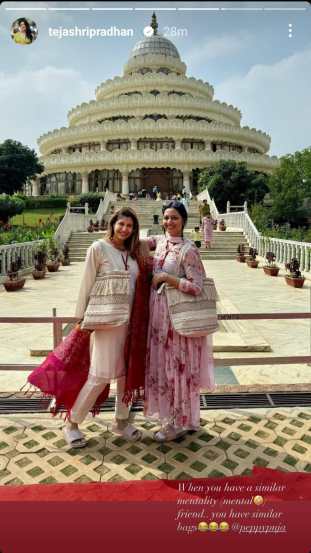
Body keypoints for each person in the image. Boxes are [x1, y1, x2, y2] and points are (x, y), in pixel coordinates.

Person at [64, 207, 149, 448]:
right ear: (112, 224)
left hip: (130, 324)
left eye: (130, 226)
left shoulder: (132, 253)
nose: (125, 229)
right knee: (100, 375)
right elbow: (86, 284)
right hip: (105, 324)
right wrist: (80, 318)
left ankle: (121, 421)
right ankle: (72, 422)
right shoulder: (98, 248)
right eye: (121, 224)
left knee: (125, 375)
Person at [145, 201, 215, 442]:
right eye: (165, 217)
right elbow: (136, 241)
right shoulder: (161, 242)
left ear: (183, 220)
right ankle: (178, 418)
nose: (169, 222)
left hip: (178, 322)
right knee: (164, 369)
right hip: (159, 318)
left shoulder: (189, 250)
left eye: (174, 217)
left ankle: (178, 422)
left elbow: (197, 286)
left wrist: (168, 278)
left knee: (178, 370)